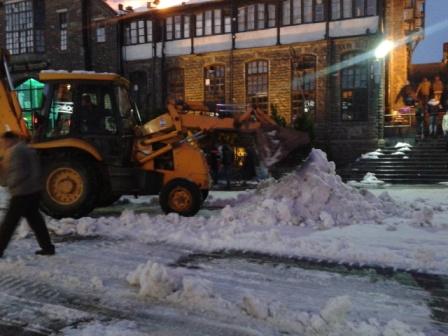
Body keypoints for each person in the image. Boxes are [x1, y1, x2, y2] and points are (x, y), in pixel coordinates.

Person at [0, 131, 55, 257]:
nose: (2, 144)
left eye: (3, 141)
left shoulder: (16, 151)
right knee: (36, 221)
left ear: (10, 140)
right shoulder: (26, 148)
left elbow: (17, 173)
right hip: (33, 191)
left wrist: (8, 183)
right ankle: (48, 248)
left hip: (22, 192)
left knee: (9, 223)